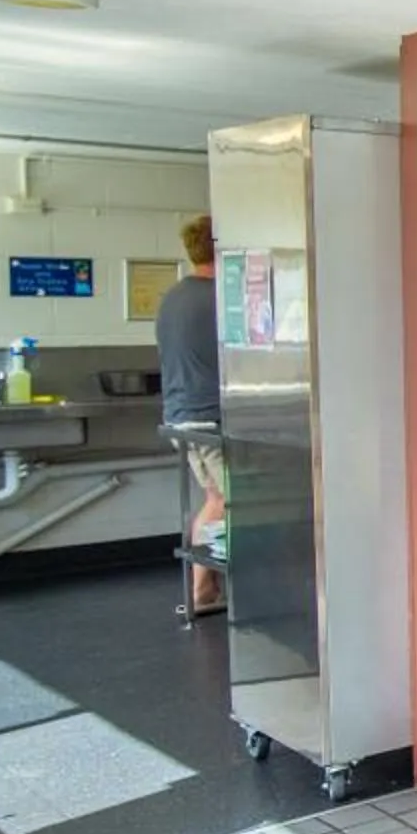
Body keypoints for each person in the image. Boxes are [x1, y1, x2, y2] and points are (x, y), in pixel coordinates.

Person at [156, 215, 225, 613]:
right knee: (241, 502)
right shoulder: (219, 297)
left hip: (182, 416)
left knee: (215, 498)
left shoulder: (174, 296)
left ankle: (203, 590)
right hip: (211, 418)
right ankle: (214, 591)